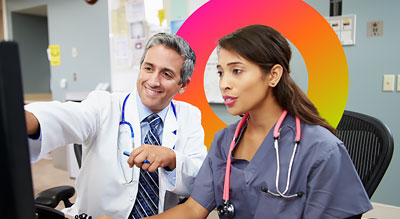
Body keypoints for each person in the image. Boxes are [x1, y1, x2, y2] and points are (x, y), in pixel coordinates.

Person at [140, 25, 372, 218]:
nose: (224, 84)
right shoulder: (224, 142)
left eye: (237, 71)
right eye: (221, 73)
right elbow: (192, 210)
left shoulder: (321, 149)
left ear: (273, 75)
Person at [25, 33, 207, 219]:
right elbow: (64, 117)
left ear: (183, 85)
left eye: (166, 74)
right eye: (148, 68)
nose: (153, 81)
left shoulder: (189, 115)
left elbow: (201, 176)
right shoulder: (104, 104)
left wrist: (172, 159)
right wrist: (27, 119)